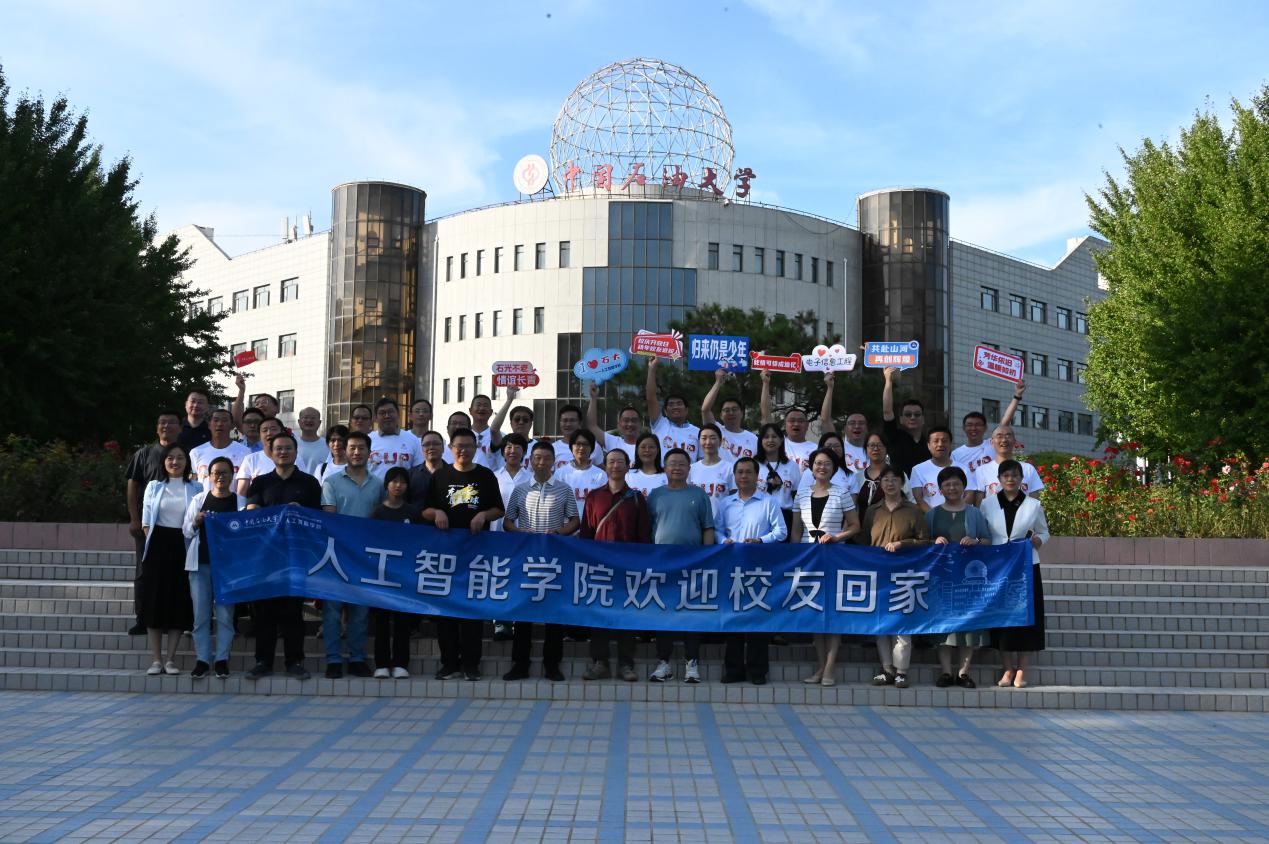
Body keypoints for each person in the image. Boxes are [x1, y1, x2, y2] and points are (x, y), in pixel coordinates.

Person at [422, 428, 504, 681]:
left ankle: (471, 664)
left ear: (476, 448)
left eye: (468, 446)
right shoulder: (440, 476)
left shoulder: (485, 475)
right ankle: (449, 663)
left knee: (472, 610)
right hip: (445, 554)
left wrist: (483, 514)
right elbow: (425, 510)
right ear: (451, 448)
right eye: (459, 446)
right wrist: (437, 512)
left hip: (476, 553)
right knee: (445, 610)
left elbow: (498, 509)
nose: (463, 450)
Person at [244, 432, 322, 680]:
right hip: (266, 556)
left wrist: (302, 512)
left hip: (296, 556)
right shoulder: (261, 483)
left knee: (292, 612)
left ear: (296, 452)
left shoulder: (309, 483)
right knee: (264, 611)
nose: (283, 452)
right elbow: (251, 513)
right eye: (278, 448)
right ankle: (262, 661)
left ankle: (294, 661)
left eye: (288, 448)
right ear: (271, 452)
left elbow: (319, 519)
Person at [503, 440, 581, 681]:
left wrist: (559, 532)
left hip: (553, 559)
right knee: (523, 611)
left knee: (553, 613)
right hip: (526, 559)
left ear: (553, 462)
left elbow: (575, 520)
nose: (541, 462)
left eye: (546, 458)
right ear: (530, 461)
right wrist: (519, 532)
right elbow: (508, 521)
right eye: (537, 458)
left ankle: (552, 665)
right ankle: (520, 664)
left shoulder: (564, 489)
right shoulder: (521, 490)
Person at [790, 448, 861, 686]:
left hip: (833, 556)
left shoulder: (842, 493)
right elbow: (796, 531)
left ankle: (830, 668)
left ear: (834, 468)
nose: (822, 467)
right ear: (811, 467)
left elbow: (855, 526)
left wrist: (837, 537)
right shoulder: (801, 495)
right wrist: (796, 557)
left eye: (827, 463)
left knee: (831, 612)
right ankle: (821, 667)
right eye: (818, 463)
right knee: (814, 612)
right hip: (808, 558)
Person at [580, 448, 651, 682]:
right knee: (598, 615)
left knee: (626, 615)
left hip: (628, 568)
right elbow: (586, 534)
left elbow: (643, 536)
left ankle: (626, 664)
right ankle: (599, 662)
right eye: (611, 461)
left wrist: (641, 566)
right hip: (599, 567)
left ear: (628, 466)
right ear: (605, 466)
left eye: (620, 461)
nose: (615, 465)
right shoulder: (594, 497)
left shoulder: (637, 498)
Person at [715, 457, 787, 684]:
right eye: (740, 472)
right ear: (734, 476)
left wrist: (761, 540)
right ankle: (733, 670)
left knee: (757, 617)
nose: (744, 476)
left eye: (748, 472)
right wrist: (723, 540)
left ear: (757, 476)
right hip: (731, 566)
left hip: (759, 566)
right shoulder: (726, 503)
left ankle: (757, 671)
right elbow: (716, 529)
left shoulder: (768, 502)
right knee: (733, 617)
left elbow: (781, 531)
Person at [646, 448, 715, 682]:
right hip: (661, 564)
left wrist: (705, 558)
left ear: (689, 468)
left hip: (692, 564)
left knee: (691, 614)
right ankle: (663, 663)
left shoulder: (699, 494)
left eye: (681, 464)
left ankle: (691, 663)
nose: (676, 468)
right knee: (662, 612)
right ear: (664, 468)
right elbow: (648, 528)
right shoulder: (655, 495)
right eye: (672, 463)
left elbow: (708, 528)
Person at [319, 430, 383, 679]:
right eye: (352, 448)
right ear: (344, 451)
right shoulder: (331, 482)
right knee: (333, 610)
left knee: (360, 611)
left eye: (361, 448)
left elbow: (380, 520)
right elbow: (330, 518)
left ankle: (357, 657)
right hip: (336, 554)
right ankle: (333, 659)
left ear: (369, 452)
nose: (357, 452)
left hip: (365, 556)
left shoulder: (378, 484)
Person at [982, 458, 1050, 689]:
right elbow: (984, 533)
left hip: (1026, 566)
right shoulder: (988, 504)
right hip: (999, 567)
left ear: (1022, 479)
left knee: (1027, 618)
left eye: (1014, 475)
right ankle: (1007, 668)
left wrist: (1039, 541)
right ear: (999, 479)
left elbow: (1044, 532)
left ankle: (1022, 669)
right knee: (1002, 617)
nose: (1010, 479)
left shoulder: (1033, 505)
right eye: (1006, 475)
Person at [862, 465, 930, 689]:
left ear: (902, 483)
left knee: (902, 624)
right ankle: (887, 669)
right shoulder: (872, 511)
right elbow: (863, 542)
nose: (890, 483)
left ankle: (901, 671)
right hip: (878, 575)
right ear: (880, 484)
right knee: (881, 624)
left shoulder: (913, 510)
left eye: (894, 479)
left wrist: (903, 544)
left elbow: (924, 541)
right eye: (886, 480)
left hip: (904, 574)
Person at [924, 466, 993, 688]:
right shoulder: (932, 514)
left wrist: (975, 541)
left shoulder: (974, 513)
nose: (952, 488)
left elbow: (988, 540)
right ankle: (946, 672)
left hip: (968, 578)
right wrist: (933, 542)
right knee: (943, 624)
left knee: (968, 624)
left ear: (964, 487)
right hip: (941, 577)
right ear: (940, 489)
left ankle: (963, 672)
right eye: (947, 484)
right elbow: (922, 543)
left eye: (956, 484)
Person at [138, 444, 200, 675]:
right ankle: (156, 660)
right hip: (157, 547)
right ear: (163, 462)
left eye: (180, 458)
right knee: (154, 601)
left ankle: (171, 659)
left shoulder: (196, 487)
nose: (175, 462)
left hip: (183, 545)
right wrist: (153, 543)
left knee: (178, 600)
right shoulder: (154, 486)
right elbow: (146, 522)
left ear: (187, 462)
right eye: (170, 458)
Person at [125, 410, 183, 635]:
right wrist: (134, 518)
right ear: (157, 427)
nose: (166, 426)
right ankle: (143, 618)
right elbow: (132, 487)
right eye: (162, 422)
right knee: (144, 571)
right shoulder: (144, 453)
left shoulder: (185, 453)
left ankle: (171, 619)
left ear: (180, 428)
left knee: (174, 573)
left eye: (172, 422)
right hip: (148, 524)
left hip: (178, 525)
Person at [182, 455, 238, 679]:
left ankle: (222, 659)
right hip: (201, 564)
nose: (220, 477)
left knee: (225, 616)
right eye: (216, 473)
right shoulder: (199, 500)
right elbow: (186, 531)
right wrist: (196, 522)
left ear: (232, 475)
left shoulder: (240, 502)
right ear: (209, 476)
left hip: (229, 567)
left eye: (224, 472)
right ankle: (203, 660)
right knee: (201, 616)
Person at [370, 467, 423, 679]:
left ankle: (401, 663)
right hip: (381, 574)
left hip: (405, 574)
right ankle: (382, 663)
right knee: (382, 621)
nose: (398, 485)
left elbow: (419, 542)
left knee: (403, 620)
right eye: (394, 481)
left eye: (402, 482)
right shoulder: (377, 512)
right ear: (386, 485)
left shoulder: (413, 513)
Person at [953, 382, 1026, 473]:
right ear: (963, 428)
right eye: (969, 425)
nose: (973, 428)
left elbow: (1006, 420)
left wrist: (1017, 395)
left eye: (978, 425)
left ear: (985, 428)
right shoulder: (956, 454)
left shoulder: (993, 444)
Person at [910, 426, 982, 511]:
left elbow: (969, 495)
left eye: (944, 441)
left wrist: (955, 514)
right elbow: (918, 499)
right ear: (928, 445)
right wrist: (935, 516)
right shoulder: (918, 470)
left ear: (950, 444)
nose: (940, 444)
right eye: (936, 441)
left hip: (959, 516)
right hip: (930, 517)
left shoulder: (963, 468)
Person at [758, 369, 815, 470]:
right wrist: (765, 383)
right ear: (785, 424)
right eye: (792, 421)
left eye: (800, 421)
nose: (796, 424)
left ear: (807, 425)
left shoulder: (816, 449)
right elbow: (765, 414)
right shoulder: (778, 444)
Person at [646, 357, 700, 460]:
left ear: (686, 410)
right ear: (665, 411)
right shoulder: (660, 424)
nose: (675, 407)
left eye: (679, 403)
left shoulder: (697, 432)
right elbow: (651, 398)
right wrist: (652, 369)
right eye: (671, 404)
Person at [881, 366, 930, 476]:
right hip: (899, 485)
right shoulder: (894, 436)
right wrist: (888, 380)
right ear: (901, 419)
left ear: (923, 419)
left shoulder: (930, 443)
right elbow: (887, 411)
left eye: (917, 414)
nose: (912, 417)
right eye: (908, 414)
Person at [976, 425, 1048, 497]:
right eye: (999, 436)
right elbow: (979, 501)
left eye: (1008, 436)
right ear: (992, 443)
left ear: (1014, 442)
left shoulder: (1028, 469)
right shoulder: (982, 471)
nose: (1004, 440)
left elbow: (1035, 499)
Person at [817, 372, 869, 471]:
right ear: (845, 428)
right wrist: (830, 388)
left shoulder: (873, 451)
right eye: (852, 423)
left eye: (861, 423)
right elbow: (825, 419)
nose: (857, 426)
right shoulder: (838, 448)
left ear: (867, 428)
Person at [701, 369, 758, 459]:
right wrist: (718, 383)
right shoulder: (717, 431)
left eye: (734, 409)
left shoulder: (753, 439)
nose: (731, 413)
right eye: (726, 410)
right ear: (721, 415)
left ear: (742, 413)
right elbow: (705, 410)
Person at [756, 423, 802, 532]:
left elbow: (797, 497)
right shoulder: (754, 464)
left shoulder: (792, 466)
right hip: (759, 516)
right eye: (766, 437)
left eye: (774, 436)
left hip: (785, 517)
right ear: (761, 440)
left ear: (781, 440)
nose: (770, 440)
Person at [189, 409, 251, 490]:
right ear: (209, 425)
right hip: (204, 498)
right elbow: (193, 482)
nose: (220, 424)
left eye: (224, 420)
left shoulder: (245, 452)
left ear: (232, 425)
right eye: (216, 420)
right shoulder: (196, 452)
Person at [853, 432, 915, 511]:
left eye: (880, 445)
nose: (876, 449)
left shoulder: (898, 474)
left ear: (886, 448)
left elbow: (911, 502)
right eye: (872, 445)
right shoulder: (858, 477)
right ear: (866, 449)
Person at [555, 429, 607, 521]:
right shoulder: (560, 473)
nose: (581, 448)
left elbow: (603, 504)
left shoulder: (601, 475)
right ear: (571, 447)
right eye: (578, 444)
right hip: (566, 525)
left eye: (585, 444)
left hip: (591, 525)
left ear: (592, 448)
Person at [586, 381, 641, 462]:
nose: (630, 424)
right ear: (619, 425)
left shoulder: (647, 446)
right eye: (626, 420)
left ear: (640, 424)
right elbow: (592, 426)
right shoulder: (613, 442)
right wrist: (593, 398)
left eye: (634, 420)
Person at [370, 397, 424, 476]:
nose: (387, 416)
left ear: (398, 414)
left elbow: (419, 470)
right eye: (382, 413)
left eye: (391, 412)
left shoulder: (412, 440)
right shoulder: (368, 439)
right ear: (375, 418)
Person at [235, 417, 284, 499]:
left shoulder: (294, 458)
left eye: (273, 429)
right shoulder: (250, 460)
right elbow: (241, 494)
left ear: (282, 432)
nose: (269, 433)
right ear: (260, 435)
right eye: (264, 430)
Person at [688, 423, 735, 506]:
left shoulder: (730, 468)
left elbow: (735, 497)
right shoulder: (691, 469)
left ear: (720, 441)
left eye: (712, 438)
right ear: (699, 441)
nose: (708, 442)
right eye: (704, 438)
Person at [551, 403, 602, 469]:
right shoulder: (553, 448)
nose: (568, 424)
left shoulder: (594, 446)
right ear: (560, 422)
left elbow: (601, 471)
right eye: (564, 420)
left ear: (580, 423)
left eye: (572, 420)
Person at [407, 430, 447, 504]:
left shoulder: (453, 474)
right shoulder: (410, 475)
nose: (431, 447)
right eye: (427, 444)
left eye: (436, 444)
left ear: (443, 448)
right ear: (422, 449)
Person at [627, 432, 668, 497]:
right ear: (637, 450)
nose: (647, 450)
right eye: (643, 447)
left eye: (651, 447)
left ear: (657, 450)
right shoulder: (628, 475)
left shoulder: (667, 476)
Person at [468, 393, 501, 468]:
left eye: (485, 406)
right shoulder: (463, 436)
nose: (482, 408)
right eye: (478, 405)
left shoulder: (500, 436)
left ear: (491, 412)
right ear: (470, 410)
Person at [295, 407, 330, 473]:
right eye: (305, 417)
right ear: (299, 422)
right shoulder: (292, 444)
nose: (309, 420)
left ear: (319, 422)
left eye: (313, 418)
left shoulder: (328, 445)